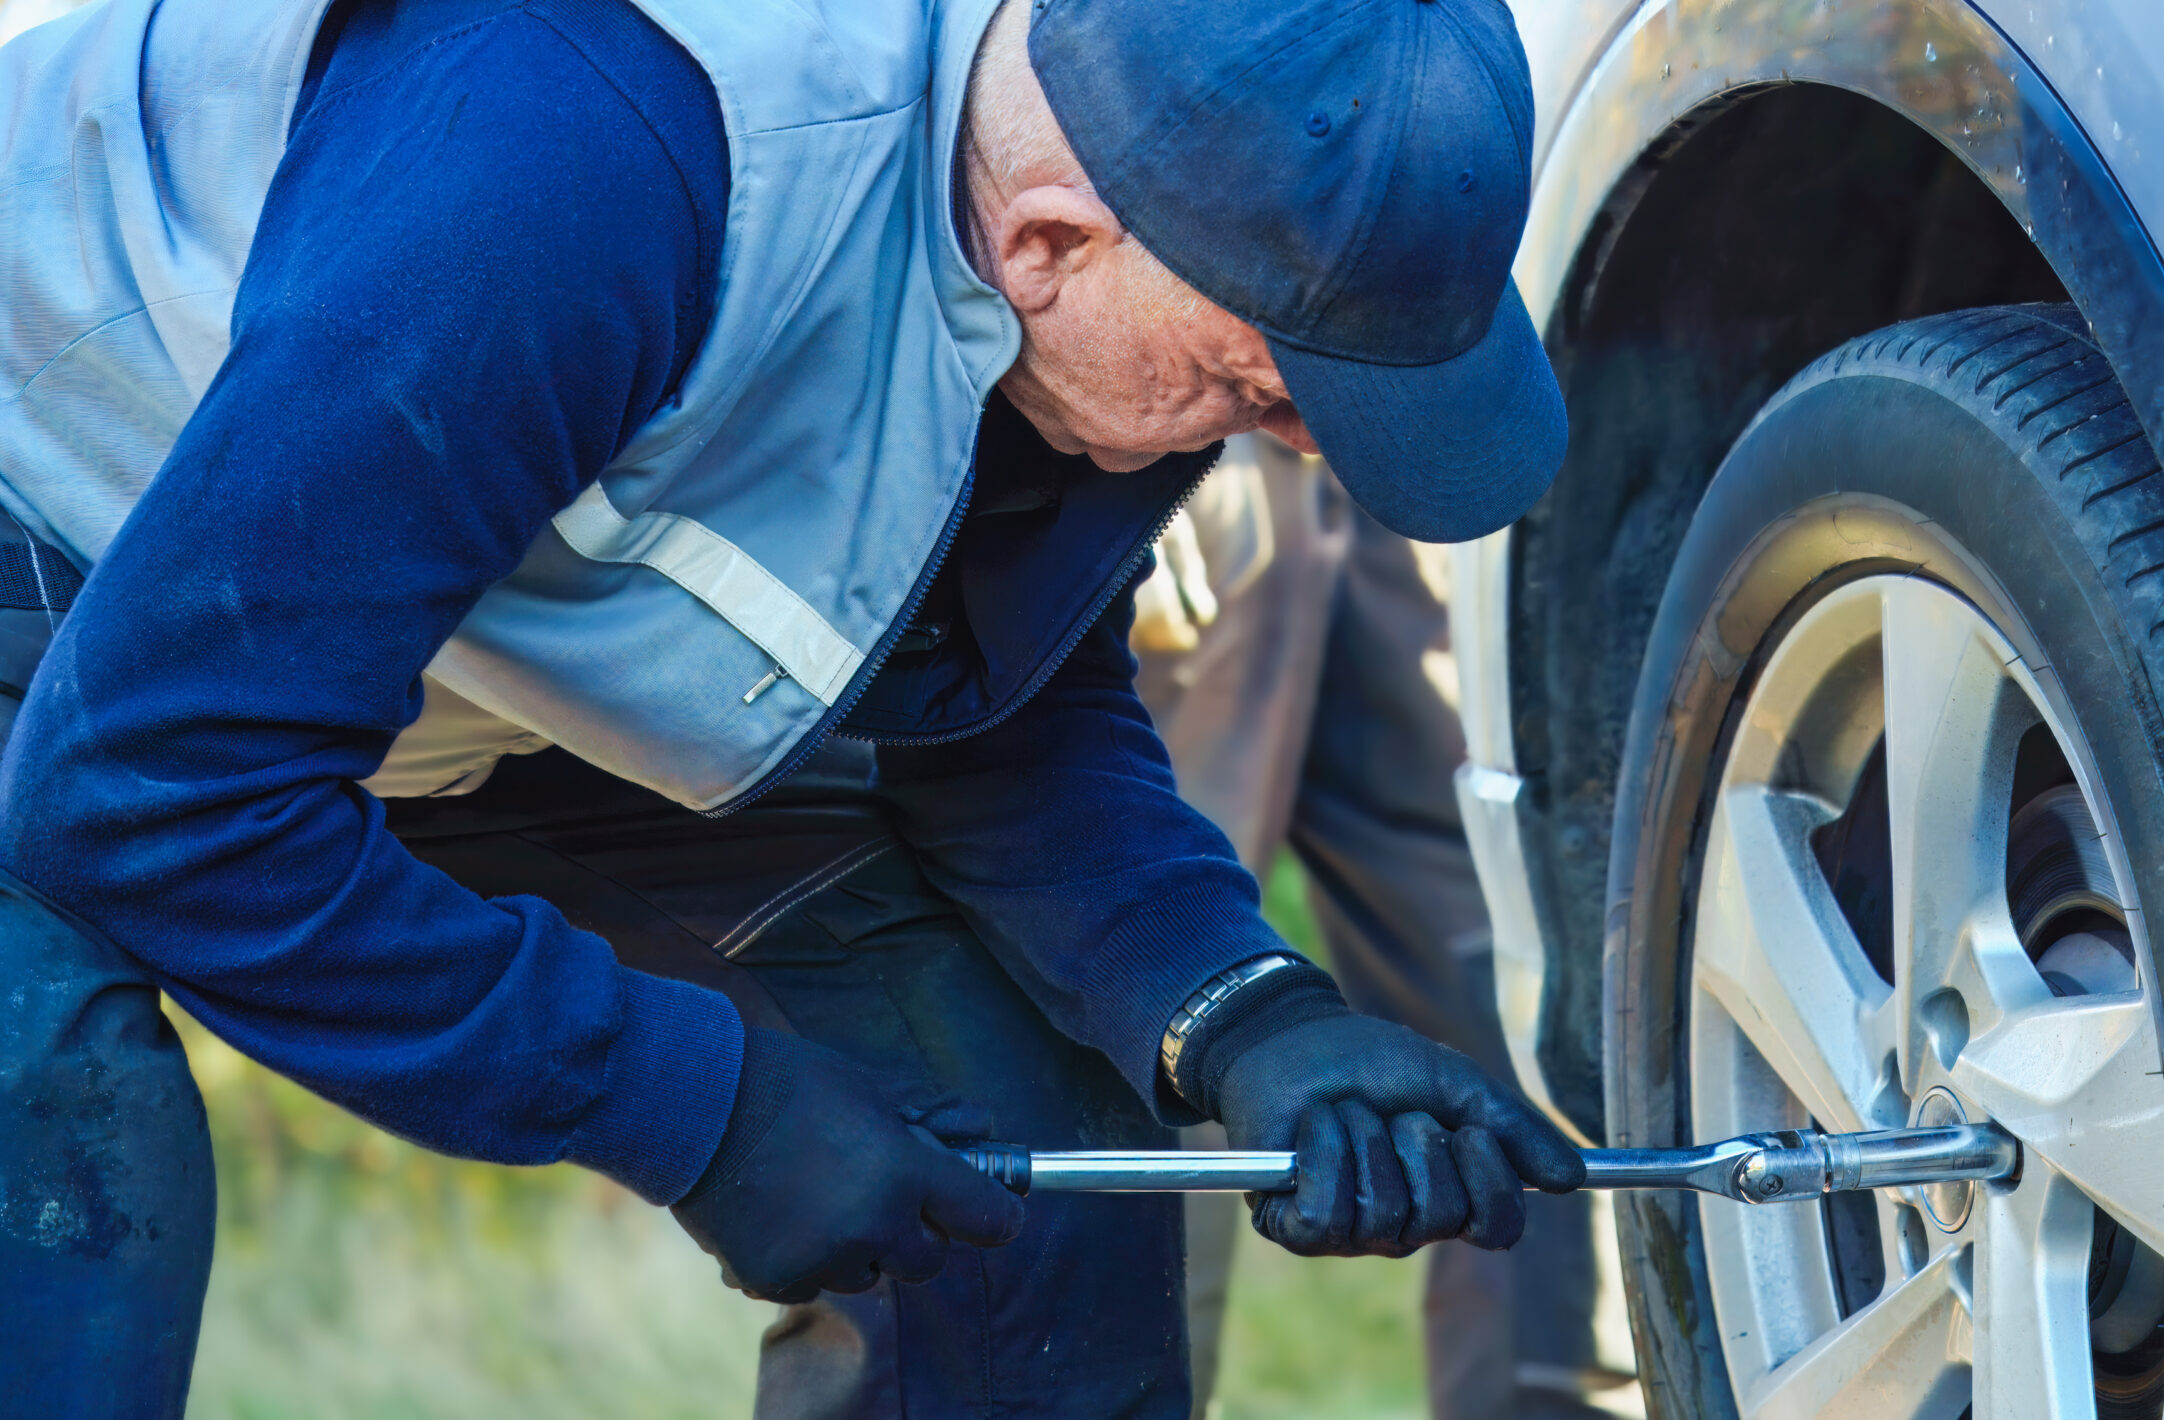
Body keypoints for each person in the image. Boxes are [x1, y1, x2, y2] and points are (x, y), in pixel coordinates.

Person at [0, 0, 1582, 1413]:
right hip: (78, 577)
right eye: (1256, 385)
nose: (1294, 444)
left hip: (434, 629)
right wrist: (695, 1106)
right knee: (66, 1159)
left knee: (1010, 1156)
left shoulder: (1066, 256)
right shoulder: (568, 157)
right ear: (1047, 243)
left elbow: (990, 714)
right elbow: (152, 800)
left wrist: (1246, 1013)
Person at [1135, 439, 1634, 1420]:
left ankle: (1568, 1395)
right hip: (1188, 450)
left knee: (1536, 992)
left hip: (1400, 468)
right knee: (1145, 1000)